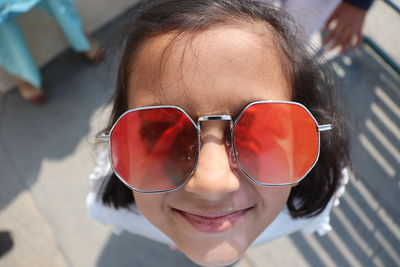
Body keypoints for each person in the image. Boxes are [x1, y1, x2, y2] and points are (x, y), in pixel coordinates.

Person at [87, 0, 350, 266]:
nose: (211, 186)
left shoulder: (315, 204)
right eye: (160, 131)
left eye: (258, 128)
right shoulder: (110, 209)